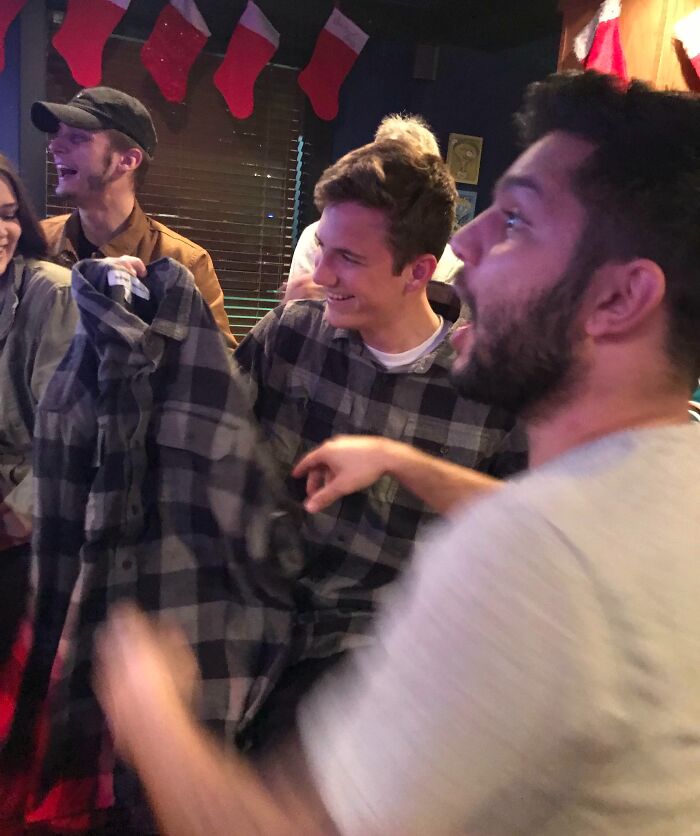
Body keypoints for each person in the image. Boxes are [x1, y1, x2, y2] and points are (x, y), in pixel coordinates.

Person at [94, 71, 700, 835]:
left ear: (619, 299)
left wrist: (148, 708)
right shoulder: (660, 493)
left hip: (348, 644)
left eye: (515, 219)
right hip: (268, 609)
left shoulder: (531, 556)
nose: (466, 246)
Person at [233, 137, 526, 746]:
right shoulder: (290, 336)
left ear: (418, 271)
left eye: (348, 258)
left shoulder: (488, 392)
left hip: (372, 648)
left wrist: (401, 463)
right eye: (323, 248)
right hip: (252, 602)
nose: (320, 275)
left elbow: (527, 532)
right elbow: (203, 429)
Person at [30, 86, 236, 348]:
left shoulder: (185, 261)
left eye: (78, 138)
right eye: (58, 136)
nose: (55, 146)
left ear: (128, 160)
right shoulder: (36, 242)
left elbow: (218, 364)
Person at [0, 153, 77, 663]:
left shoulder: (52, 293)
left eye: (8, 215)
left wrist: (16, 518)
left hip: (28, 523)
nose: (1, 231)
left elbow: (69, 436)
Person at [284, 114, 463, 302]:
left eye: (349, 257)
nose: (321, 275)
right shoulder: (316, 238)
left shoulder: (451, 265)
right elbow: (299, 307)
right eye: (388, 168)